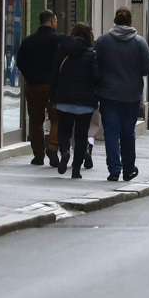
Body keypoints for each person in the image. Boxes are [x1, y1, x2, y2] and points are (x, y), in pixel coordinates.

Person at [93, 7, 149, 183]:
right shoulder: (139, 42)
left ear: (115, 21)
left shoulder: (104, 41)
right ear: (130, 22)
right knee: (128, 133)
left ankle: (114, 170)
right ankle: (128, 169)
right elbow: (148, 67)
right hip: (131, 95)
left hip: (108, 94)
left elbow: (95, 66)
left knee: (111, 132)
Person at [51, 23, 98, 180]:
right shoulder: (92, 53)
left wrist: (53, 96)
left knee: (63, 130)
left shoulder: (62, 51)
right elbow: (96, 77)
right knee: (81, 135)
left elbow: (54, 74)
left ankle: (64, 151)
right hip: (85, 102)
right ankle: (76, 170)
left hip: (64, 98)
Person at [16, 9, 62, 167]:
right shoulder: (59, 40)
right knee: (56, 119)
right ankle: (52, 146)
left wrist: (29, 75)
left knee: (35, 121)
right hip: (52, 86)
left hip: (33, 85)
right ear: (53, 22)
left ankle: (38, 155)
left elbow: (20, 62)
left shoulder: (28, 41)